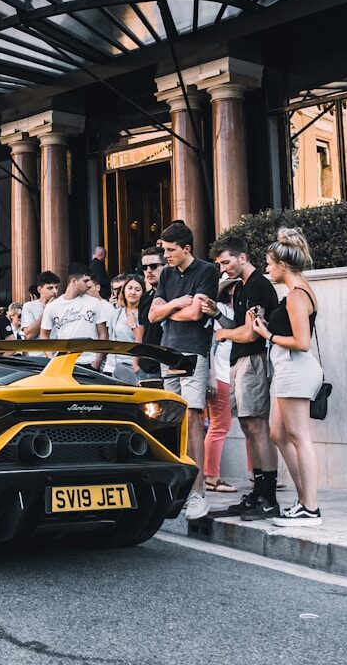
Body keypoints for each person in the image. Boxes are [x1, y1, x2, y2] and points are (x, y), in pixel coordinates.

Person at [202, 234, 280, 519]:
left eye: (227, 262)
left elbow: (249, 332)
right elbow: (237, 326)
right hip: (240, 361)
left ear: (242, 257)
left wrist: (222, 333)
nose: (224, 269)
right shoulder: (243, 288)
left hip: (254, 361)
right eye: (220, 264)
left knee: (258, 428)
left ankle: (268, 498)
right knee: (249, 428)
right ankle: (258, 493)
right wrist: (216, 316)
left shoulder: (258, 285)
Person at [250, 228, 324, 526]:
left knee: (299, 437)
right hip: (287, 368)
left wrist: (266, 333)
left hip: (296, 368)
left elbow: (302, 342)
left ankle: (310, 507)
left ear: (281, 265)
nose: (267, 269)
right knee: (278, 434)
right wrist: (268, 324)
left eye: (269, 263)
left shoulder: (296, 296)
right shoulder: (297, 292)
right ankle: (303, 500)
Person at [148, 221, 219, 520]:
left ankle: (197, 494)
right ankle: (177, 489)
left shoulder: (206, 271)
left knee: (191, 418)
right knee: (170, 420)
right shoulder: (166, 275)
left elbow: (194, 314)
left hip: (192, 353)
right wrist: (177, 302)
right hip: (169, 352)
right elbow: (153, 315)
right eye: (164, 250)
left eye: (170, 250)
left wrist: (170, 309)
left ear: (187, 248)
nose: (165, 256)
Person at [39, 269, 108, 368]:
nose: (89, 284)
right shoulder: (53, 306)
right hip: (63, 362)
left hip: (89, 361)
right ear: (74, 281)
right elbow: (44, 335)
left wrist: (97, 361)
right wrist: (51, 358)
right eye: (85, 281)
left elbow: (103, 334)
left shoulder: (94, 302)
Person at [203, 282, 235, 495]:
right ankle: (212, 477)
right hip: (221, 374)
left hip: (230, 373)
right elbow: (209, 344)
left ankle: (254, 473)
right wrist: (211, 375)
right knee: (219, 425)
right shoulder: (220, 310)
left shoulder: (231, 311)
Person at [108, 274, 145, 382]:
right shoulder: (117, 312)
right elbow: (112, 338)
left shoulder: (144, 314)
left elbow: (142, 341)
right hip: (114, 366)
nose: (132, 292)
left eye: (137, 289)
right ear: (124, 291)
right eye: (129, 288)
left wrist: (133, 326)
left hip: (134, 367)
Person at [137, 246, 166, 380]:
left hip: (166, 364)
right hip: (144, 365)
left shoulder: (173, 295)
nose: (148, 271)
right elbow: (141, 330)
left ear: (165, 267)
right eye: (145, 267)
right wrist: (136, 362)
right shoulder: (144, 297)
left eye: (153, 266)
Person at [20, 271, 60, 339]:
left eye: (56, 287)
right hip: (37, 348)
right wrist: (46, 311)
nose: (55, 291)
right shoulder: (29, 306)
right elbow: (29, 335)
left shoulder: (61, 305)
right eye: (50, 288)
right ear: (39, 289)